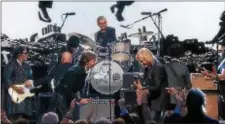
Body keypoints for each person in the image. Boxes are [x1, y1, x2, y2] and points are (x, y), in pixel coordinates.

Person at [55, 51, 97, 120]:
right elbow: (66, 88)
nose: (95, 63)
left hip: (67, 97)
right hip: (61, 97)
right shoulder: (76, 71)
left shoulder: (82, 70)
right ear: (86, 61)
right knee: (67, 119)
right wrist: (79, 99)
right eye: (93, 61)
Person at [134, 48, 168, 122]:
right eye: (140, 62)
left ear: (147, 58)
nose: (141, 63)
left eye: (142, 61)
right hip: (151, 101)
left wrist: (143, 88)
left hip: (157, 103)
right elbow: (148, 82)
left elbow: (157, 87)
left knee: (151, 121)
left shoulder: (158, 68)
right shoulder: (148, 67)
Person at [3, 46, 34, 121]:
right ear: (19, 54)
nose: (27, 55)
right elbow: (6, 79)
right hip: (15, 98)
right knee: (16, 118)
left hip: (26, 98)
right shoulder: (11, 64)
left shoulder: (27, 66)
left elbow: (31, 79)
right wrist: (16, 88)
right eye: (25, 53)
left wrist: (30, 83)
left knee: (25, 118)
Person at [165, 43, 191, 111]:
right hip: (179, 98)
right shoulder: (184, 67)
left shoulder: (164, 67)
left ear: (169, 54)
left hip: (167, 99)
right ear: (180, 54)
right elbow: (188, 85)